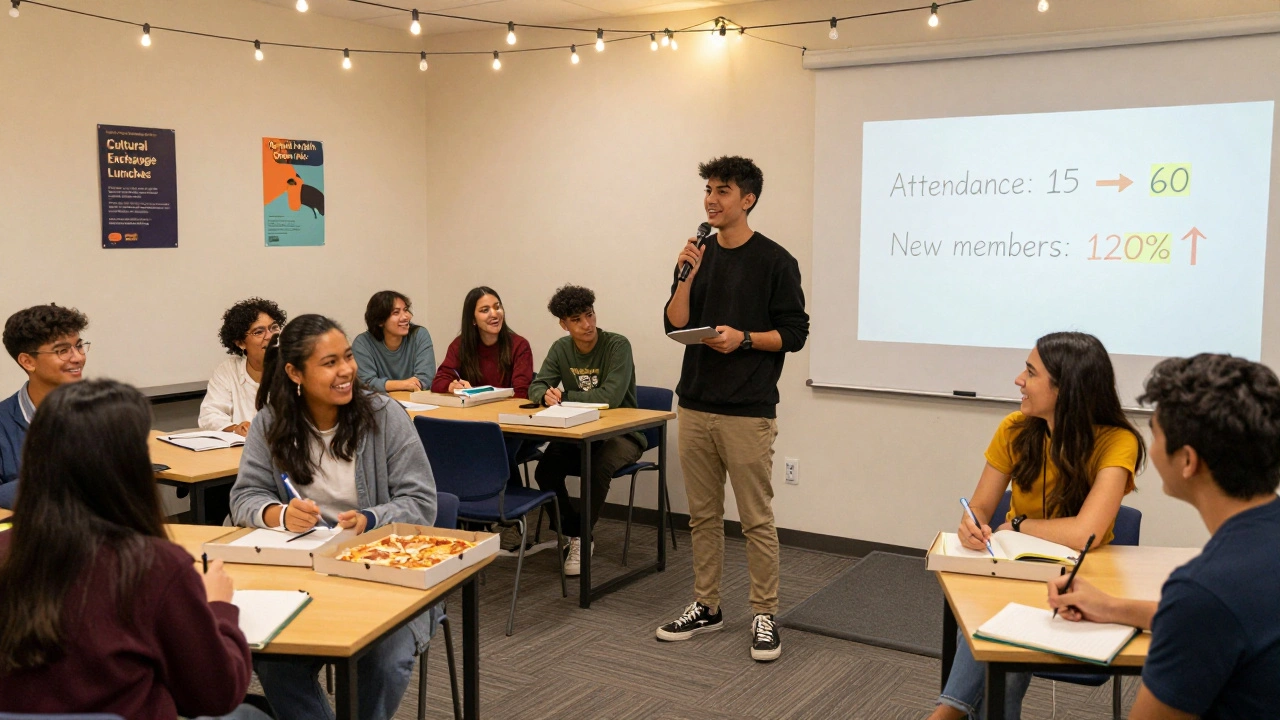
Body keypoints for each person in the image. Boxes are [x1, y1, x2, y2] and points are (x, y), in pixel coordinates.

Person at [0, 379, 268, 720]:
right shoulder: (155, 567)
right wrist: (217, 607)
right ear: (128, 467)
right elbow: (215, 696)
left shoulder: (8, 552)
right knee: (250, 714)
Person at [1046, 354, 1280, 720]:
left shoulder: (1203, 591)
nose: (1150, 449)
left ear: (1188, 461)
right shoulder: (1234, 579)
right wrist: (1113, 608)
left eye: (1155, 433)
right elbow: (1238, 617)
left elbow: (1207, 612)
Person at [927, 331, 1146, 720]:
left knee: (991, 638)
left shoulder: (1117, 441)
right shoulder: (1015, 428)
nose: (1018, 380)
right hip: (1019, 569)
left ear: (1067, 389)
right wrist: (970, 523)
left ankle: (946, 713)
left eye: (1031, 372)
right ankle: (948, 713)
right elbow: (979, 506)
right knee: (992, 637)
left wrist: (1018, 524)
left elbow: (1085, 534)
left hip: (1084, 580)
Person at [230, 313, 437, 720]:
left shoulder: (384, 415)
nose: (346, 371)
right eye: (329, 363)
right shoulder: (271, 422)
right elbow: (245, 497)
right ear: (294, 373)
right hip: (299, 575)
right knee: (272, 656)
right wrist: (279, 513)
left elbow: (421, 501)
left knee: (385, 658)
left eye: (347, 358)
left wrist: (370, 519)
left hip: (381, 572)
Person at [657, 156, 809, 663]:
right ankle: (707, 605)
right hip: (696, 404)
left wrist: (743, 338)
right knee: (702, 517)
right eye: (708, 190)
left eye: (723, 191)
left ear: (748, 199)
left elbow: (794, 333)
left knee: (755, 520)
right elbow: (673, 321)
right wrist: (684, 276)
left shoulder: (775, 261)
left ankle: (764, 613)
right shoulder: (697, 254)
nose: (711, 200)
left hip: (748, 408)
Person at [528, 284, 644, 576]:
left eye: (590, 315)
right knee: (545, 470)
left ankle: (579, 536)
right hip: (580, 431)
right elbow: (537, 385)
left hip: (623, 433)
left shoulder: (618, 345)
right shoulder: (561, 348)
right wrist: (545, 395)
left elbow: (611, 397)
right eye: (577, 320)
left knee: (598, 465)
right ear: (563, 324)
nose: (587, 324)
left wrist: (564, 396)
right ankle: (574, 532)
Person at [0, 303, 89, 510]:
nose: (77, 357)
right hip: (33, 536)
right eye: (62, 350)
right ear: (27, 362)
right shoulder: (3, 423)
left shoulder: (103, 413)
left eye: (79, 346)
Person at [199, 297, 287, 435]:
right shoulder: (228, 370)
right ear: (240, 343)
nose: (270, 336)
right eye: (259, 332)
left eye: (274, 328)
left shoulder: (294, 368)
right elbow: (209, 415)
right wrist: (236, 429)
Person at [431, 286, 534, 398]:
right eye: (485, 310)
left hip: (505, 411)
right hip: (471, 412)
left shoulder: (519, 345)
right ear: (473, 319)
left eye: (497, 307)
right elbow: (438, 382)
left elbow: (521, 393)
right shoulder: (460, 345)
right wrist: (452, 386)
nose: (494, 314)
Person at [352, 290, 436, 394]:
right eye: (396, 312)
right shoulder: (363, 343)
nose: (406, 317)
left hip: (416, 403)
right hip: (378, 404)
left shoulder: (419, 335)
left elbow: (426, 379)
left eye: (405, 310)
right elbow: (365, 383)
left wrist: (386, 386)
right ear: (380, 321)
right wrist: (404, 384)